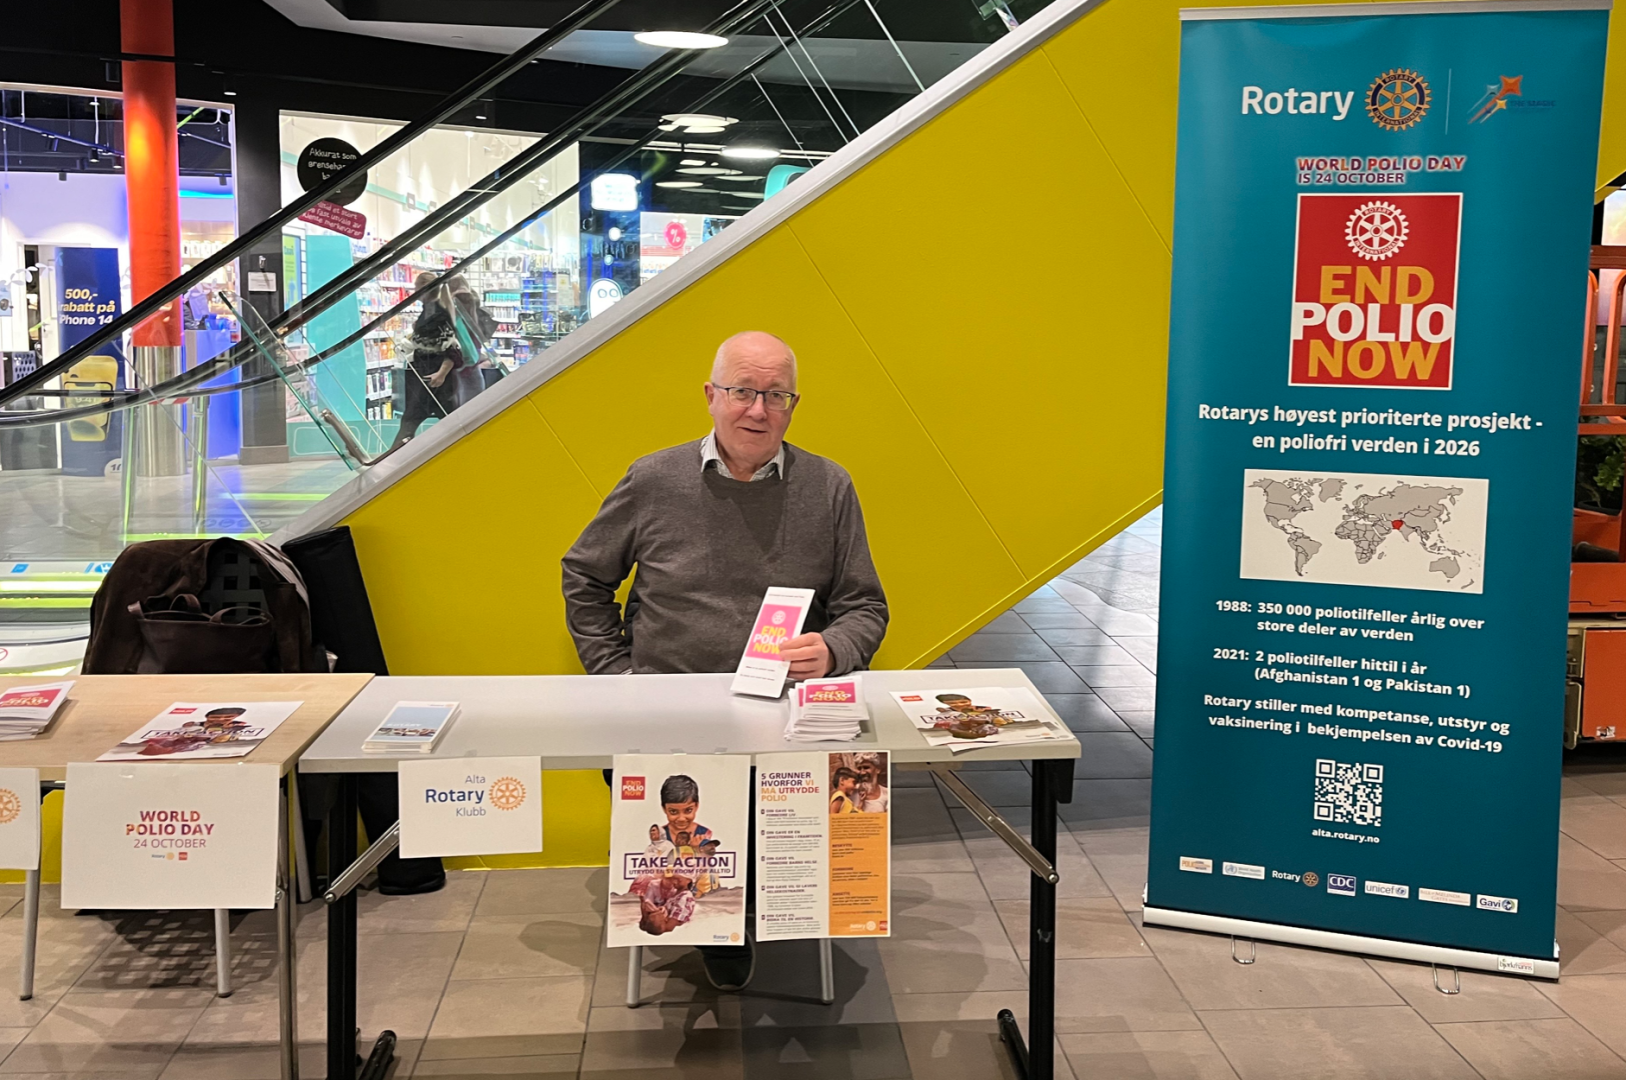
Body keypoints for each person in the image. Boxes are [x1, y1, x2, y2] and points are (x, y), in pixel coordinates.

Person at [563, 330, 889, 989]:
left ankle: (763, 900)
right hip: (667, 713)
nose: (758, 410)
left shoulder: (829, 486)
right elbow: (585, 577)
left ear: (793, 405)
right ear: (711, 396)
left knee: (836, 794)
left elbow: (865, 606)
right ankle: (724, 921)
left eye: (776, 395)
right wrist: (617, 678)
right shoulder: (653, 479)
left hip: (786, 715)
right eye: (743, 391)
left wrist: (834, 648)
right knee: (691, 805)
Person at [388, 273, 467, 451]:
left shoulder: (437, 313)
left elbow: (452, 347)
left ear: (423, 290)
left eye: (416, 289)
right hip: (428, 373)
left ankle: (393, 456)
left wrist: (441, 374)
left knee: (412, 418)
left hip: (432, 373)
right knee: (446, 419)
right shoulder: (432, 309)